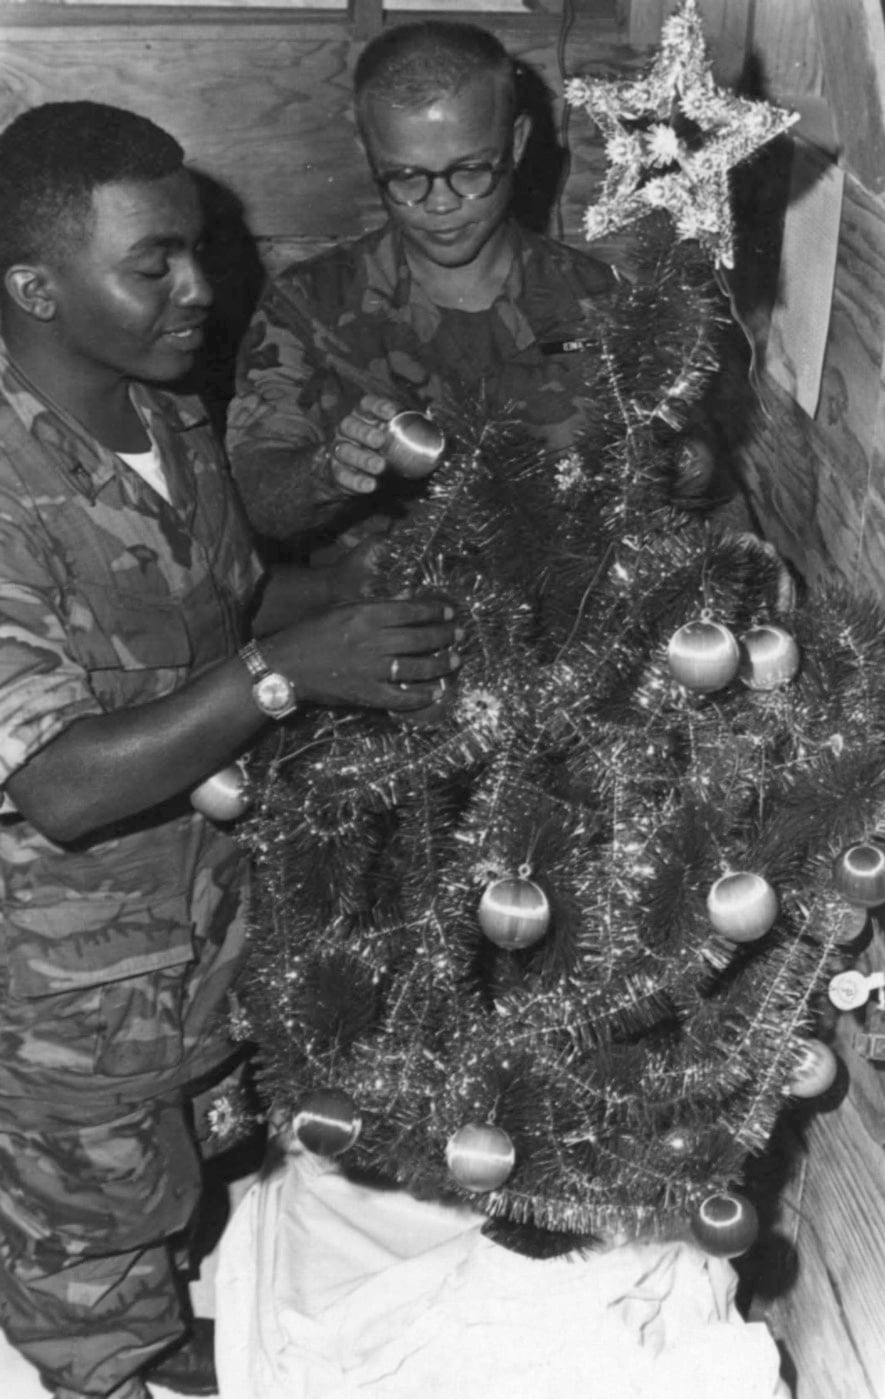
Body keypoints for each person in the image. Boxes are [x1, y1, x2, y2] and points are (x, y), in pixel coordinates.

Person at [0, 101, 460, 1399]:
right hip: (60, 975)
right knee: (91, 1224)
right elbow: (60, 782)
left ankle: (148, 1316)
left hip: (199, 914)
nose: (202, 287)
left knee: (179, 1164)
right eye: (155, 263)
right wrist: (277, 678)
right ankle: (109, 1361)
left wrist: (385, 591)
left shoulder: (169, 420)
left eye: (196, 248)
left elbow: (223, 604)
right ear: (36, 284)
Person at [225, 20, 620, 547]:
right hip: (383, 610)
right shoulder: (307, 305)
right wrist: (328, 470)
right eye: (406, 177)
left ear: (517, 142)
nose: (440, 203)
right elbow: (256, 497)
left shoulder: (600, 301)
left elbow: (689, 481)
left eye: (472, 170)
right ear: (369, 153)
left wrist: (682, 465)